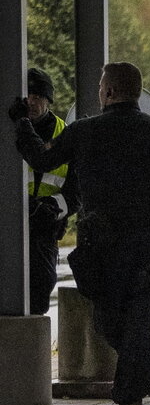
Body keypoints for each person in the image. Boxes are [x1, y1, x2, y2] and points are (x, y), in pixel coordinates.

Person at [10, 62, 150, 405]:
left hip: (104, 248)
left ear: (110, 92)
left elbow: (42, 158)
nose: (99, 93)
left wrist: (21, 124)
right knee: (138, 323)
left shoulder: (86, 132)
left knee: (116, 323)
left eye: (101, 88)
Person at [21, 68, 74, 315]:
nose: (31, 101)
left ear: (48, 100)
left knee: (41, 285)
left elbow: (77, 190)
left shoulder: (66, 134)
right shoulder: (9, 131)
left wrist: (54, 207)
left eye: (38, 96)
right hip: (11, 226)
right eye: (27, 95)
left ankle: (31, 344)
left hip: (44, 228)